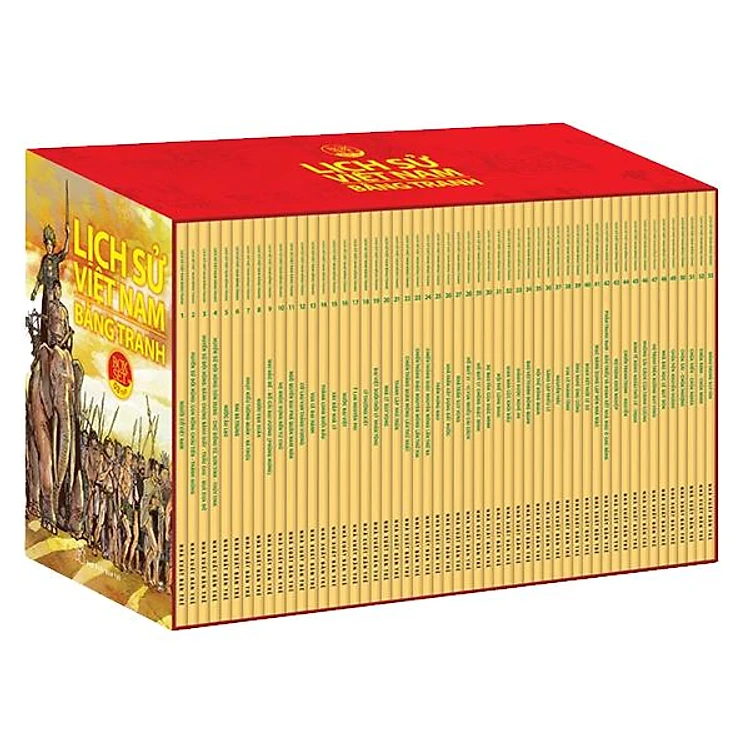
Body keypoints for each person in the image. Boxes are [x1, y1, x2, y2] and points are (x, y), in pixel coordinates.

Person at [30, 223, 69, 346]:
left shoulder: (56, 258)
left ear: (53, 246)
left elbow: (65, 251)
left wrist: (68, 235)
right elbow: (40, 278)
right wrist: (35, 291)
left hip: (55, 290)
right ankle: (45, 341)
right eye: (47, 245)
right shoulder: (45, 260)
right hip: (47, 292)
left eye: (51, 245)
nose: (49, 248)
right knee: (46, 316)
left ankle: (58, 338)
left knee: (57, 315)